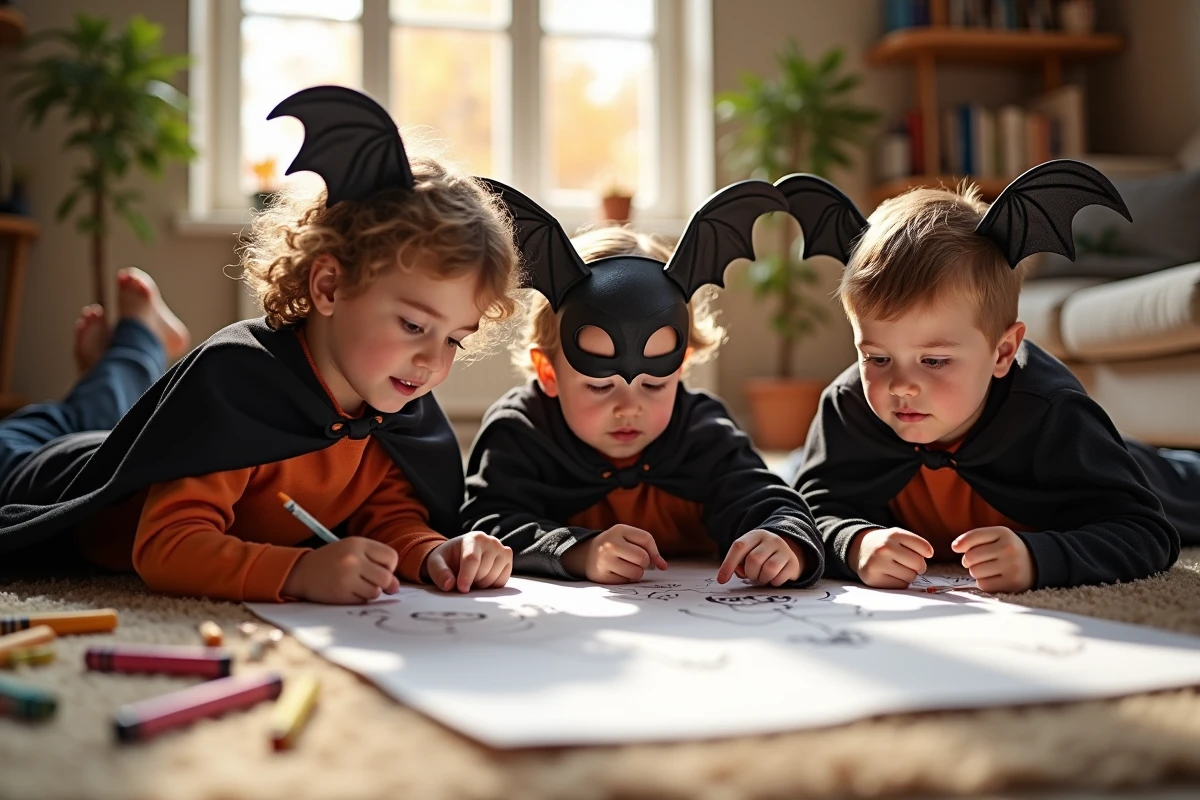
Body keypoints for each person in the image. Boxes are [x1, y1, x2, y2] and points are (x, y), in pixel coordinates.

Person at [0, 86, 518, 603]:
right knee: (55, 428)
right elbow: (167, 544)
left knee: (102, 413)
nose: (432, 361)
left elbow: (390, 517)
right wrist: (298, 572)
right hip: (38, 468)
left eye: (454, 340)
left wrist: (433, 552)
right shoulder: (239, 386)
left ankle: (131, 354)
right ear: (329, 287)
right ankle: (135, 345)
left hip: (116, 438)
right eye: (412, 325)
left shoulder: (392, 410)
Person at [788, 161, 1196, 593]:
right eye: (877, 358)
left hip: (1162, 479)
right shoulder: (848, 404)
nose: (901, 385)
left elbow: (1145, 532)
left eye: (934, 361)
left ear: (1003, 352)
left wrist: (1039, 558)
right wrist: (856, 543)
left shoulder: (1053, 412)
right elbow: (813, 509)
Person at [462, 179, 825, 588]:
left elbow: (771, 501)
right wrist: (579, 550)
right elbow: (484, 520)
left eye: (654, 385)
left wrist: (782, 541)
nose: (629, 407)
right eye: (600, 386)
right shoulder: (522, 430)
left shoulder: (701, 430)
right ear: (549, 373)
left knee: (799, 473)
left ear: (681, 367)